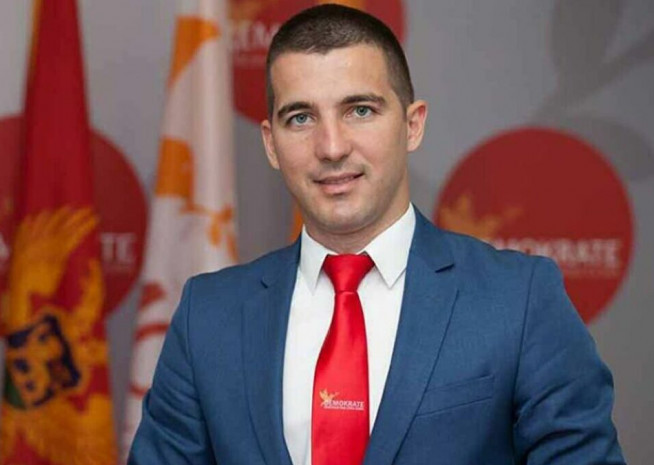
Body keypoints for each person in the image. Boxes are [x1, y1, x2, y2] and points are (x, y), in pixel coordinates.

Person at [128, 4, 625, 464]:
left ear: (412, 125)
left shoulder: (519, 299)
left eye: (360, 110)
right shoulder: (207, 316)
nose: (331, 147)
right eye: (300, 118)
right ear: (271, 144)